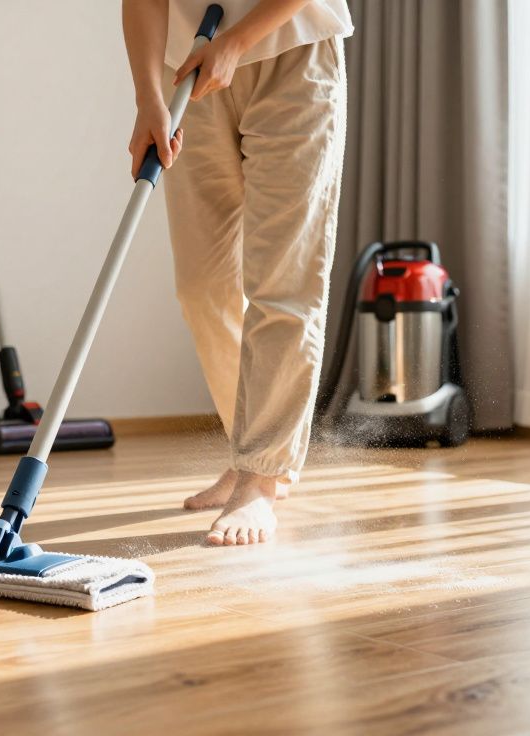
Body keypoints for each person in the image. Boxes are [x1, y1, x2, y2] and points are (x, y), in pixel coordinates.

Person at [122, 0, 352, 546]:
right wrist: (148, 99)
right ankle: (246, 446)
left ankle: (260, 474)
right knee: (203, 287)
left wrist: (238, 40)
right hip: (191, 74)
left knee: (284, 282)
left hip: (293, 52)